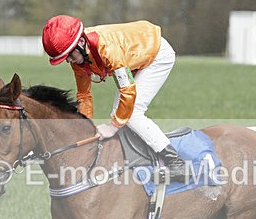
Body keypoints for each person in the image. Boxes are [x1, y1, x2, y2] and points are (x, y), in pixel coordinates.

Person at [42, 15, 186, 182]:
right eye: (64, 58)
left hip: (156, 53)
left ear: (81, 43)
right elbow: (84, 96)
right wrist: (84, 129)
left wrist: (113, 127)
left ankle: (177, 164)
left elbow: (128, 90)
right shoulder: (78, 58)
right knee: (119, 114)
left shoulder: (107, 48)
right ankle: (139, 157)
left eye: (69, 55)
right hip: (134, 56)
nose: (68, 61)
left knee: (131, 114)